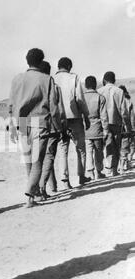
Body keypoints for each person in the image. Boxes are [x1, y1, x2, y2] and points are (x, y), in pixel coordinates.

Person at [8, 48, 62, 207]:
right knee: (37, 161)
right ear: (41, 61)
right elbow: (54, 107)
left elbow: (11, 105)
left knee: (28, 160)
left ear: (27, 61)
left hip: (22, 122)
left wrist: (12, 127)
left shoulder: (17, 79)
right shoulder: (47, 79)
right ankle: (30, 194)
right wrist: (58, 127)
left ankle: (34, 194)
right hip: (40, 122)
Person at [54, 57, 91, 188]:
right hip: (74, 117)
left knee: (63, 148)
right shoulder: (73, 78)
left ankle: (65, 181)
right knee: (80, 148)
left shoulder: (52, 80)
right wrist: (86, 115)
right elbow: (79, 99)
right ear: (69, 66)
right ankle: (81, 177)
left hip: (59, 119)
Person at [39, 61, 67, 197]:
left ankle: (52, 185)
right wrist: (62, 127)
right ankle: (42, 187)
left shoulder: (35, 87)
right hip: (51, 127)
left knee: (40, 158)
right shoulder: (55, 87)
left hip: (35, 126)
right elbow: (59, 110)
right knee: (49, 157)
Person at [98, 72, 130, 176]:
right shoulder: (120, 91)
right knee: (116, 145)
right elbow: (124, 111)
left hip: (103, 123)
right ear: (114, 80)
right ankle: (114, 170)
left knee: (106, 145)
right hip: (116, 122)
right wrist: (127, 125)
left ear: (104, 80)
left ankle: (107, 167)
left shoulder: (99, 91)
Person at [83, 75, 109, 180]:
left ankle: (90, 172)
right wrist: (106, 130)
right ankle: (99, 171)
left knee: (88, 150)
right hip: (97, 128)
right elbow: (104, 116)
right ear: (95, 85)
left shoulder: (82, 97)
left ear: (85, 85)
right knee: (98, 151)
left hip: (86, 128)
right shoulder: (100, 97)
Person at [118, 85, 135, 173]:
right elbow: (132, 116)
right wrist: (132, 128)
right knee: (125, 146)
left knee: (118, 146)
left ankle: (117, 166)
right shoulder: (128, 101)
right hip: (126, 127)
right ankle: (122, 166)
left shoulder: (116, 100)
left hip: (117, 126)